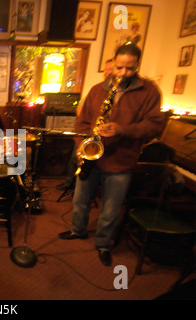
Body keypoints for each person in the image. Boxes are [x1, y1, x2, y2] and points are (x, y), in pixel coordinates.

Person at [58, 44, 166, 266]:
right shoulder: (98, 90)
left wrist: (122, 130)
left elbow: (155, 127)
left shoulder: (150, 92)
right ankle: (78, 231)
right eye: (119, 67)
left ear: (137, 66)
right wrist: (81, 146)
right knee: (80, 200)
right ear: (113, 64)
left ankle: (103, 244)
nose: (122, 73)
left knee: (111, 208)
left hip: (121, 161)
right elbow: (83, 123)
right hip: (92, 157)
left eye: (129, 68)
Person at [56, 58, 114, 192]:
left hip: (105, 141)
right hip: (88, 136)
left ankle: (82, 186)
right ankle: (70, 183)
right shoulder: (96, 90)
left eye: (110, 70)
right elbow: (81, 109)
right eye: (106, 70)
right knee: (74, 159)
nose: (107, 73)